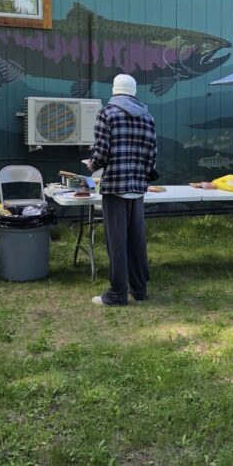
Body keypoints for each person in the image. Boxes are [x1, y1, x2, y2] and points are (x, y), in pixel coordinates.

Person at [87, 74, 158, 306]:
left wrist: (92, 164)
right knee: (136, 239)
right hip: (138, 187)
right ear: (134, 91)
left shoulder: (107, 113)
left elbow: (101, 152)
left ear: (115, 90)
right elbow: (152, 155)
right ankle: (139, 290)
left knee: (116, 242)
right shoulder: (148, 117)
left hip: (116, 185)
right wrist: (143, 177)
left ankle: (117, 294)